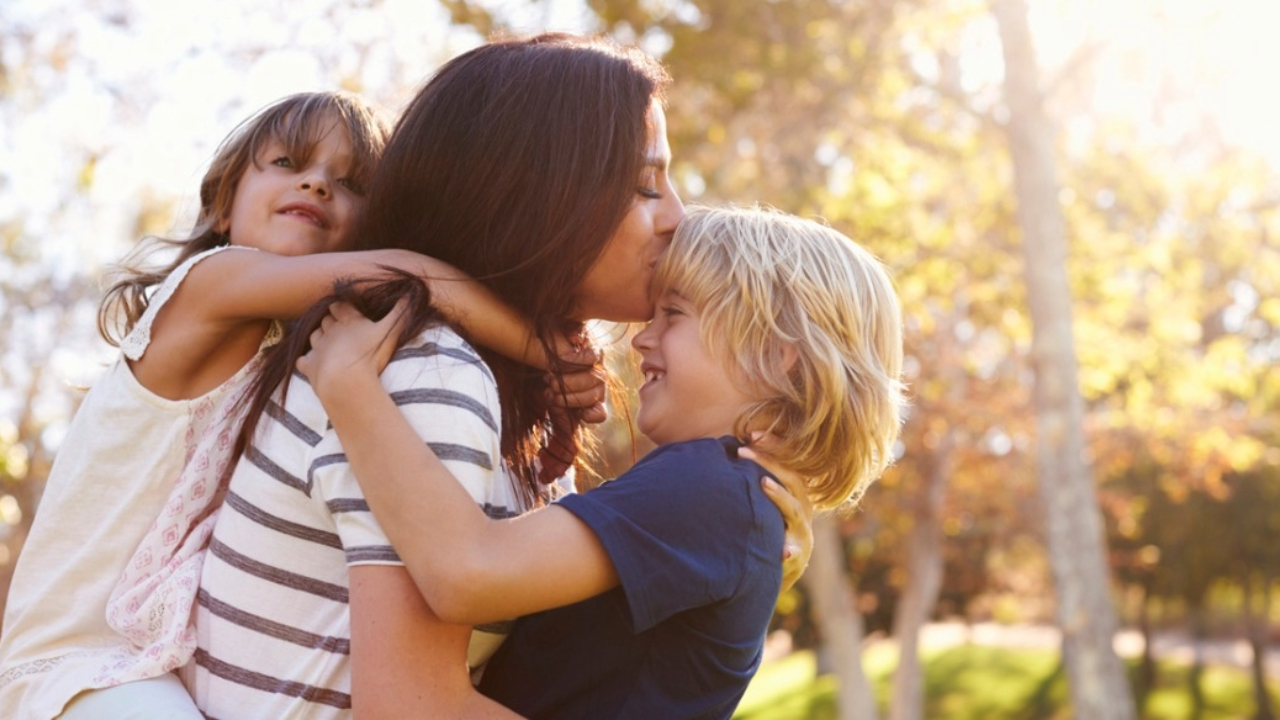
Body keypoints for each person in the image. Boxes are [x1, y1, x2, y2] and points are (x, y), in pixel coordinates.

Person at [188, 34, 815, 719]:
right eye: (644, 185)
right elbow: (413, 708)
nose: (676, 218)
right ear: (537, 197)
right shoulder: (429, 376)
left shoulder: (495, 385)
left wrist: (731, 532)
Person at [0, 90, 557, 720]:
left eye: (349, 183)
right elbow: (406, 276)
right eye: (290, 163)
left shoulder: (295, 350)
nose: (318, 185)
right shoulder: (209, 285)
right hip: (77, 660)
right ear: (220, 204)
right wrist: (552, 355)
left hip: (157, 651)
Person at [302, 204, 906, 719]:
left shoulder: (709, 486)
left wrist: (350, 385)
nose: (642, 337)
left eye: (675, 313)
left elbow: (467, 571)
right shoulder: (730, 498)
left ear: (779, 358)